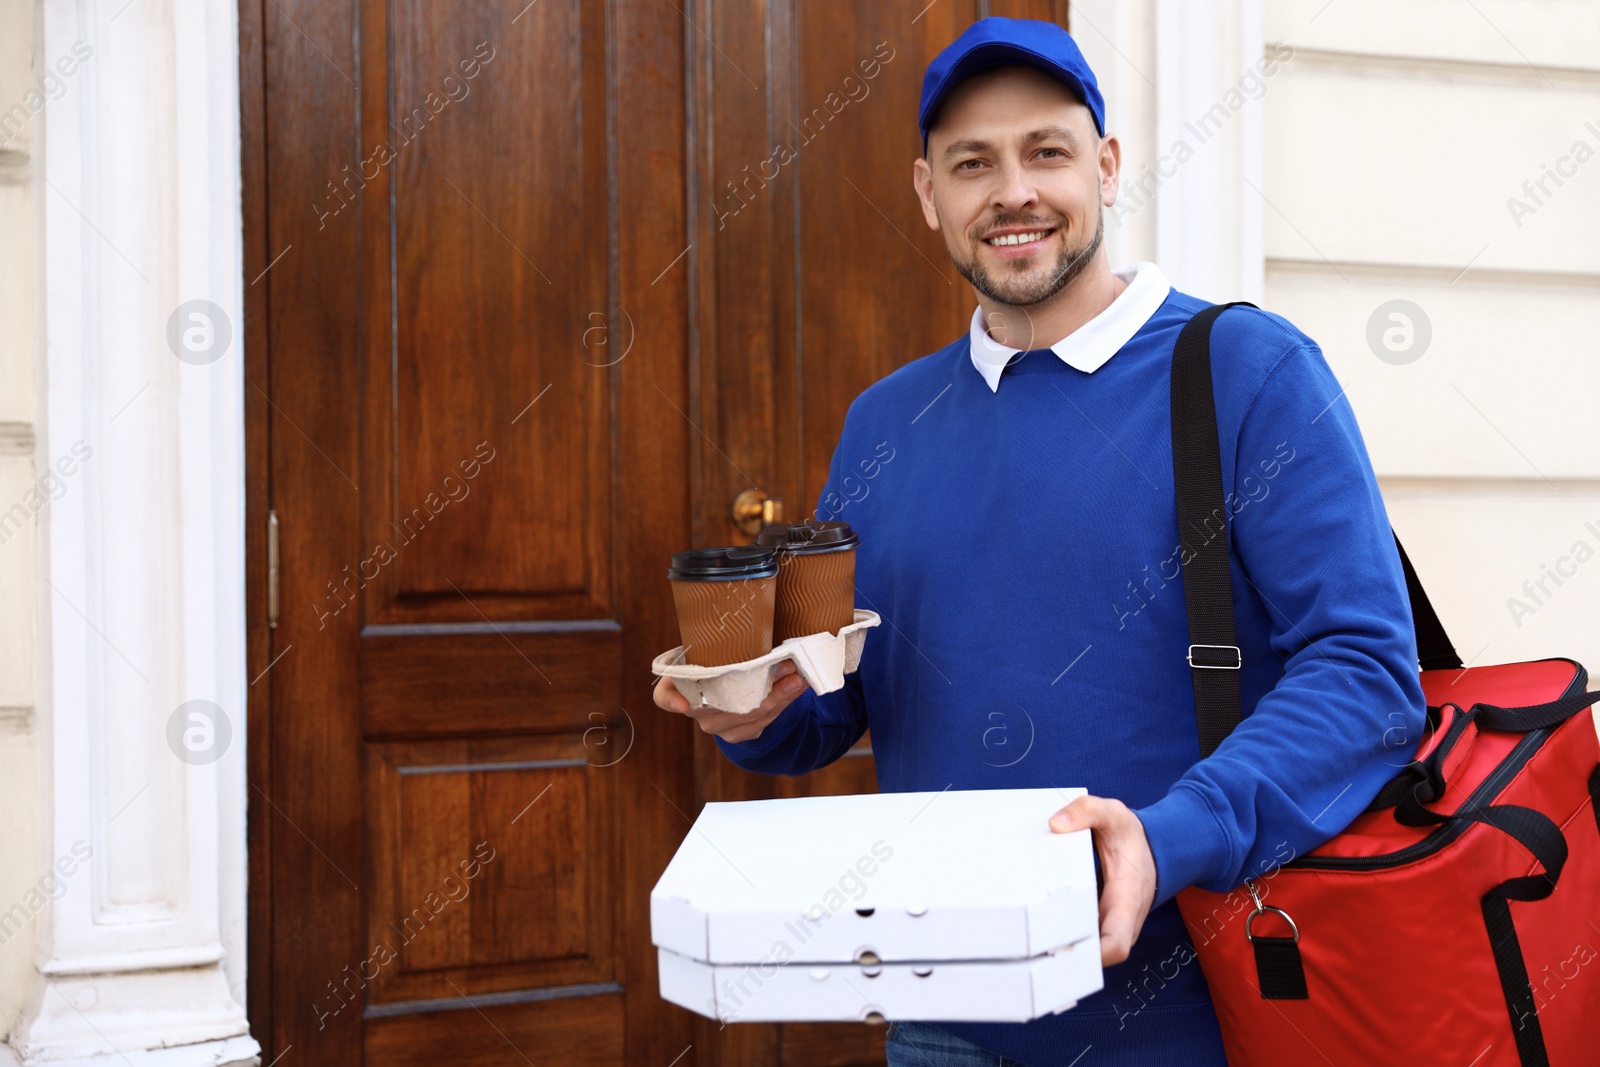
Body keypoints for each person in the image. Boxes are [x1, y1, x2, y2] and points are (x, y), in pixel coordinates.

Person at [654, 16, 1426, 1066]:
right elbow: (835, 703)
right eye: (972, 163)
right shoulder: (885, 422)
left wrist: (1171, 831)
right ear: (930, 195)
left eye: (1046, 152)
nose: (1011, 190)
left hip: (1191, 1009)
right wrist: (752, 702)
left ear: (1105, 168)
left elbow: (1367, 671)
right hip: (938, 1015)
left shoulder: (1246, 370)